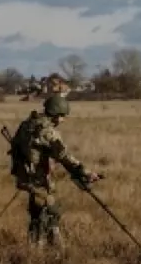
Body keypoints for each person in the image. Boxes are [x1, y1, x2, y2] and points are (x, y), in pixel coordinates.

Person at [8, 94, 100, 246]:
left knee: (38, 208)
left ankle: (43, 243)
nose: (63, 120)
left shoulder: (28, 124)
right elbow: (64, 155)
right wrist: (85, 171)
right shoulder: (47, 131)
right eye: (63, 116)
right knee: (50, 209)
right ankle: (42, 246)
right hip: (37, 177)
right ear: (56, 115)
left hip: (25, 174)